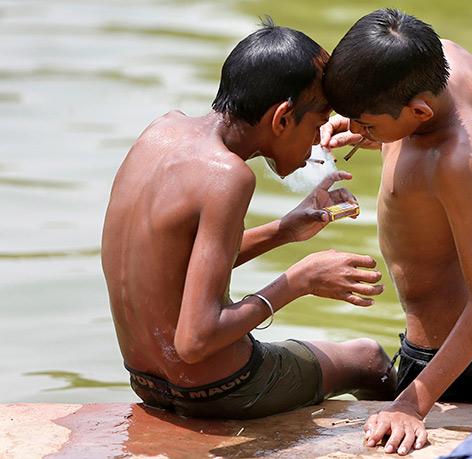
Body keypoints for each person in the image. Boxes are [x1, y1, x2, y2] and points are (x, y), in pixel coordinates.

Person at [101, 20, 396, 420]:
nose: (318, 139)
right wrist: (299, 280)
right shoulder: (229, 176)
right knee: (369, 359)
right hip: (220, 387)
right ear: (282, 119)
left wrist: (283, 230)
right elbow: (195, 340)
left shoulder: (162, 130)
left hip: (146, 382)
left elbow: (171, 265)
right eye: (316, 122)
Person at [320, 9, 472, 455]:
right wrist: (381, 133)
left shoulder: (455, 162)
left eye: (368, 123)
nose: (358, 130)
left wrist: (410, 408)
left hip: (457, 354)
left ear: (419, 110)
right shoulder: (453, 59)